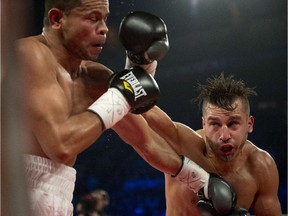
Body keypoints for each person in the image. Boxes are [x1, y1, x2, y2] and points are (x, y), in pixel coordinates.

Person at [15, 0, 236, 215]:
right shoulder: (29, 54)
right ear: (57, 19)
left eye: (105, 19)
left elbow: (146, 141)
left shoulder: (94, 77)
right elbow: (60, 145)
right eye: (93, 19)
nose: (103, 29)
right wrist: (122, 95)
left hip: (59, 198)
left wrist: (203, 183)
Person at [141, 73, 282, 215]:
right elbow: (141, 111)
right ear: (204, 124)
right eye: (215, 124)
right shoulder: (182, 145)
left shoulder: (261, 167)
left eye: (233, 124)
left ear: (249, 124)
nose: (224, 136)